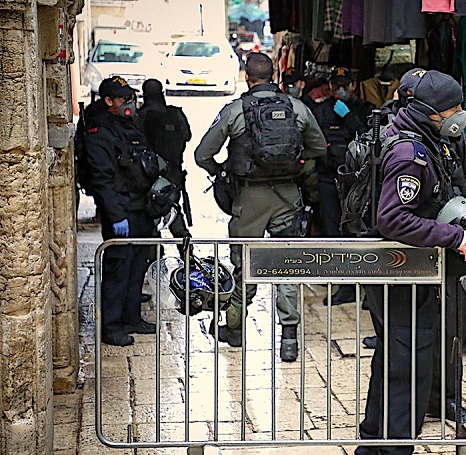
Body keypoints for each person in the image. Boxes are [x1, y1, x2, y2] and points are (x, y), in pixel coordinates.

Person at [357, 70, 466, 455]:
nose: (459, 115)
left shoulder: (430, 138)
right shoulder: (410, 154)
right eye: (452, 109)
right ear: (429, 111)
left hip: (407, 272)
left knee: (395, 360)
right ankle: (393, 449)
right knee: (409, 368)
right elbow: (393, 218)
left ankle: (373, 445)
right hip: (401, 273)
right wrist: (453, 236)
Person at [194, 53, 327, 360]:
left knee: (245, 266)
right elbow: (319, 147)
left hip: (248, 200)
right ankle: (289, 339)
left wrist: (221, 172)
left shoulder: (235, 111)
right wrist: (296, 163)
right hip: (288, 198)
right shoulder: (297, 108)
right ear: (274, 77)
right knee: (287, 265)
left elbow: (202, 154)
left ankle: (235, 330)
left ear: (247, 77)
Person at [84, 76, 160, 346]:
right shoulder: (100, 133)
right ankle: (111, 326)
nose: (129, 102)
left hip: (141, 207)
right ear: (108, 101)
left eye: (130, 97)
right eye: (123, 98)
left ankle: (132, 318)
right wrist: (116, 216)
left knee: (137, 266)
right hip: (121, 210)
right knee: (118, 269)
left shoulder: (129, 126)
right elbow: (102, 180)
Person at [310, 67, 375, 306]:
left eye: (343, 85)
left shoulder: (364, 110)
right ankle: (344, 285)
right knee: (332, 233)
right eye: (335, 85)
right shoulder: (321, 110)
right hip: (329, 179)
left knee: (359, 233)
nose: (340, 90)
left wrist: (349, 118)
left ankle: (368, 288)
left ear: (353, 86)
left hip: (357, 183)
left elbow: (369, 140)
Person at [135, 78, 193, 257]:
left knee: (151, 218)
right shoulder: (175, 114)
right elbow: (187, 136)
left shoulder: (139, 117)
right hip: (173, 175)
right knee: (174, 213)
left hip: (148, 176)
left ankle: (155, 261)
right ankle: (188, 258)